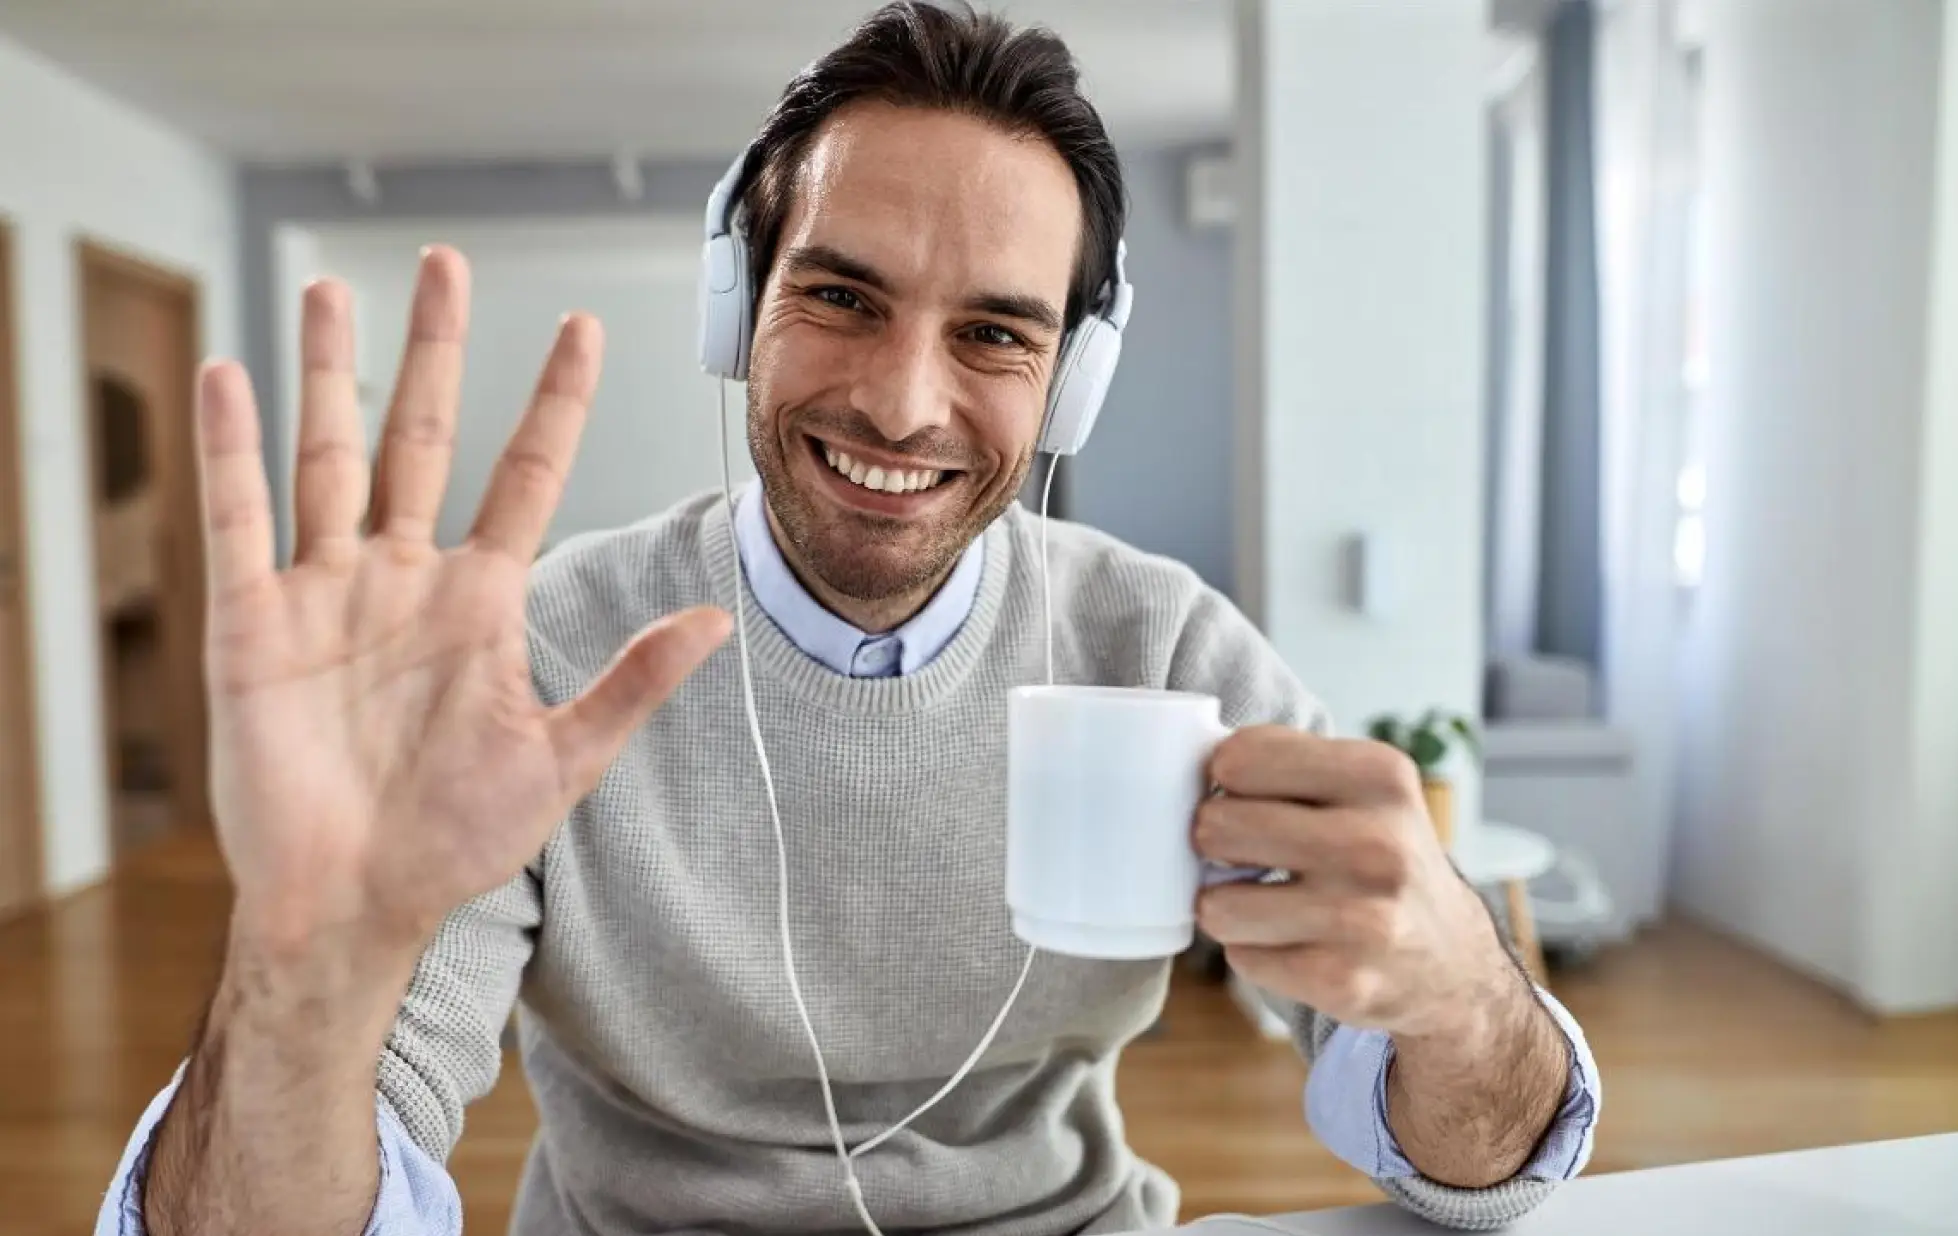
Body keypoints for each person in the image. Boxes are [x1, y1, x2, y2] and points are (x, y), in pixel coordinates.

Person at [97, 4, 1599, 1234]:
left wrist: (1462, 992)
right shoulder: (538, 662)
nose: (901, 399)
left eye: (997, 332)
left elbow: (1484, 1175)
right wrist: (298, 971)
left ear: (1067, 384)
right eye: (839, 296)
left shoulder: (1162, 651)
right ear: (735, 307)